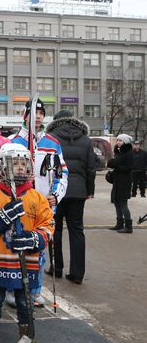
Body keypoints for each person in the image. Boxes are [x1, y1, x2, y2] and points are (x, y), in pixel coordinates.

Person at [0, 143, 54, 343]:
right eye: (14, 163)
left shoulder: (36, 197)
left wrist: (35, 238)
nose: (19, 168)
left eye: (23, 163)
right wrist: (0, 219)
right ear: (2, 166)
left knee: (24, 303)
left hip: (25, 263)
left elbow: (48, 224)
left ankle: (27, 339)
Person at [9, 98, 67, 307]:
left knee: (38, 248)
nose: (38, 117)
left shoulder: (52, 143)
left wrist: (56, 195)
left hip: (42, 204)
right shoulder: (13, 141)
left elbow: (62, 173)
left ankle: (35, 290)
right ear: (25, 115)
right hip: (18, 203)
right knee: (14, 246)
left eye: (41, 113)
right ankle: (12, 289)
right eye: (34, 113)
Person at [45, 110, 96, 284]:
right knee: (77, 230)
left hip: (56, 191)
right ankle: (77, 274)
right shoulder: (85, 139)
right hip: (78, 191)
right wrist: (90, 190)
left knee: (55, 229)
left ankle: (56, 268)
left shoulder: (50, 138)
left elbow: (46, 167)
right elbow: (91, 168)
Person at [107, 134, 134, 234]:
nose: (118, 142)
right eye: (117, 140)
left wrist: (116, 166)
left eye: (120, 141)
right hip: (117, 181)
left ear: (125, 142)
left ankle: (128, 227)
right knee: (117, 202)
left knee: (123, 204)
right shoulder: (119, 152)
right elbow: (117, 165)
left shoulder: (128, 153)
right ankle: (119, 224)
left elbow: (128, 168)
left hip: (124, 182)